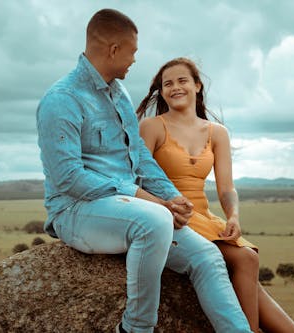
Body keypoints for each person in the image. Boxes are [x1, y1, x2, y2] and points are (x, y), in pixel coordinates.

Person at [36, 9, 253, 333]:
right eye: (132, 51)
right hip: (76, 210)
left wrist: (172, 197)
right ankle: (136, 328)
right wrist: (151, 201)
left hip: (130, 207)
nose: (135, 60)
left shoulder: (119, 95)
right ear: (113, 50)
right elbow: (69, 178)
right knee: (154, 219)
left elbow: (138, 156)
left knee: (208, 257)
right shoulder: (61, 99)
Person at [137, 57, 294, 333]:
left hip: (204, 216)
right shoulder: (152, 127)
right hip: (171, 213)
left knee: (249, 274)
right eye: (168, 84)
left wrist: (233, 216)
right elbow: (137, 176)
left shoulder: (217, 133)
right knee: (246, 259)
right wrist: (160, 205)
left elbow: (226, 187)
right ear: (162, 91)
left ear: (197, 86)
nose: (175, 87)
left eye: (182, 81)